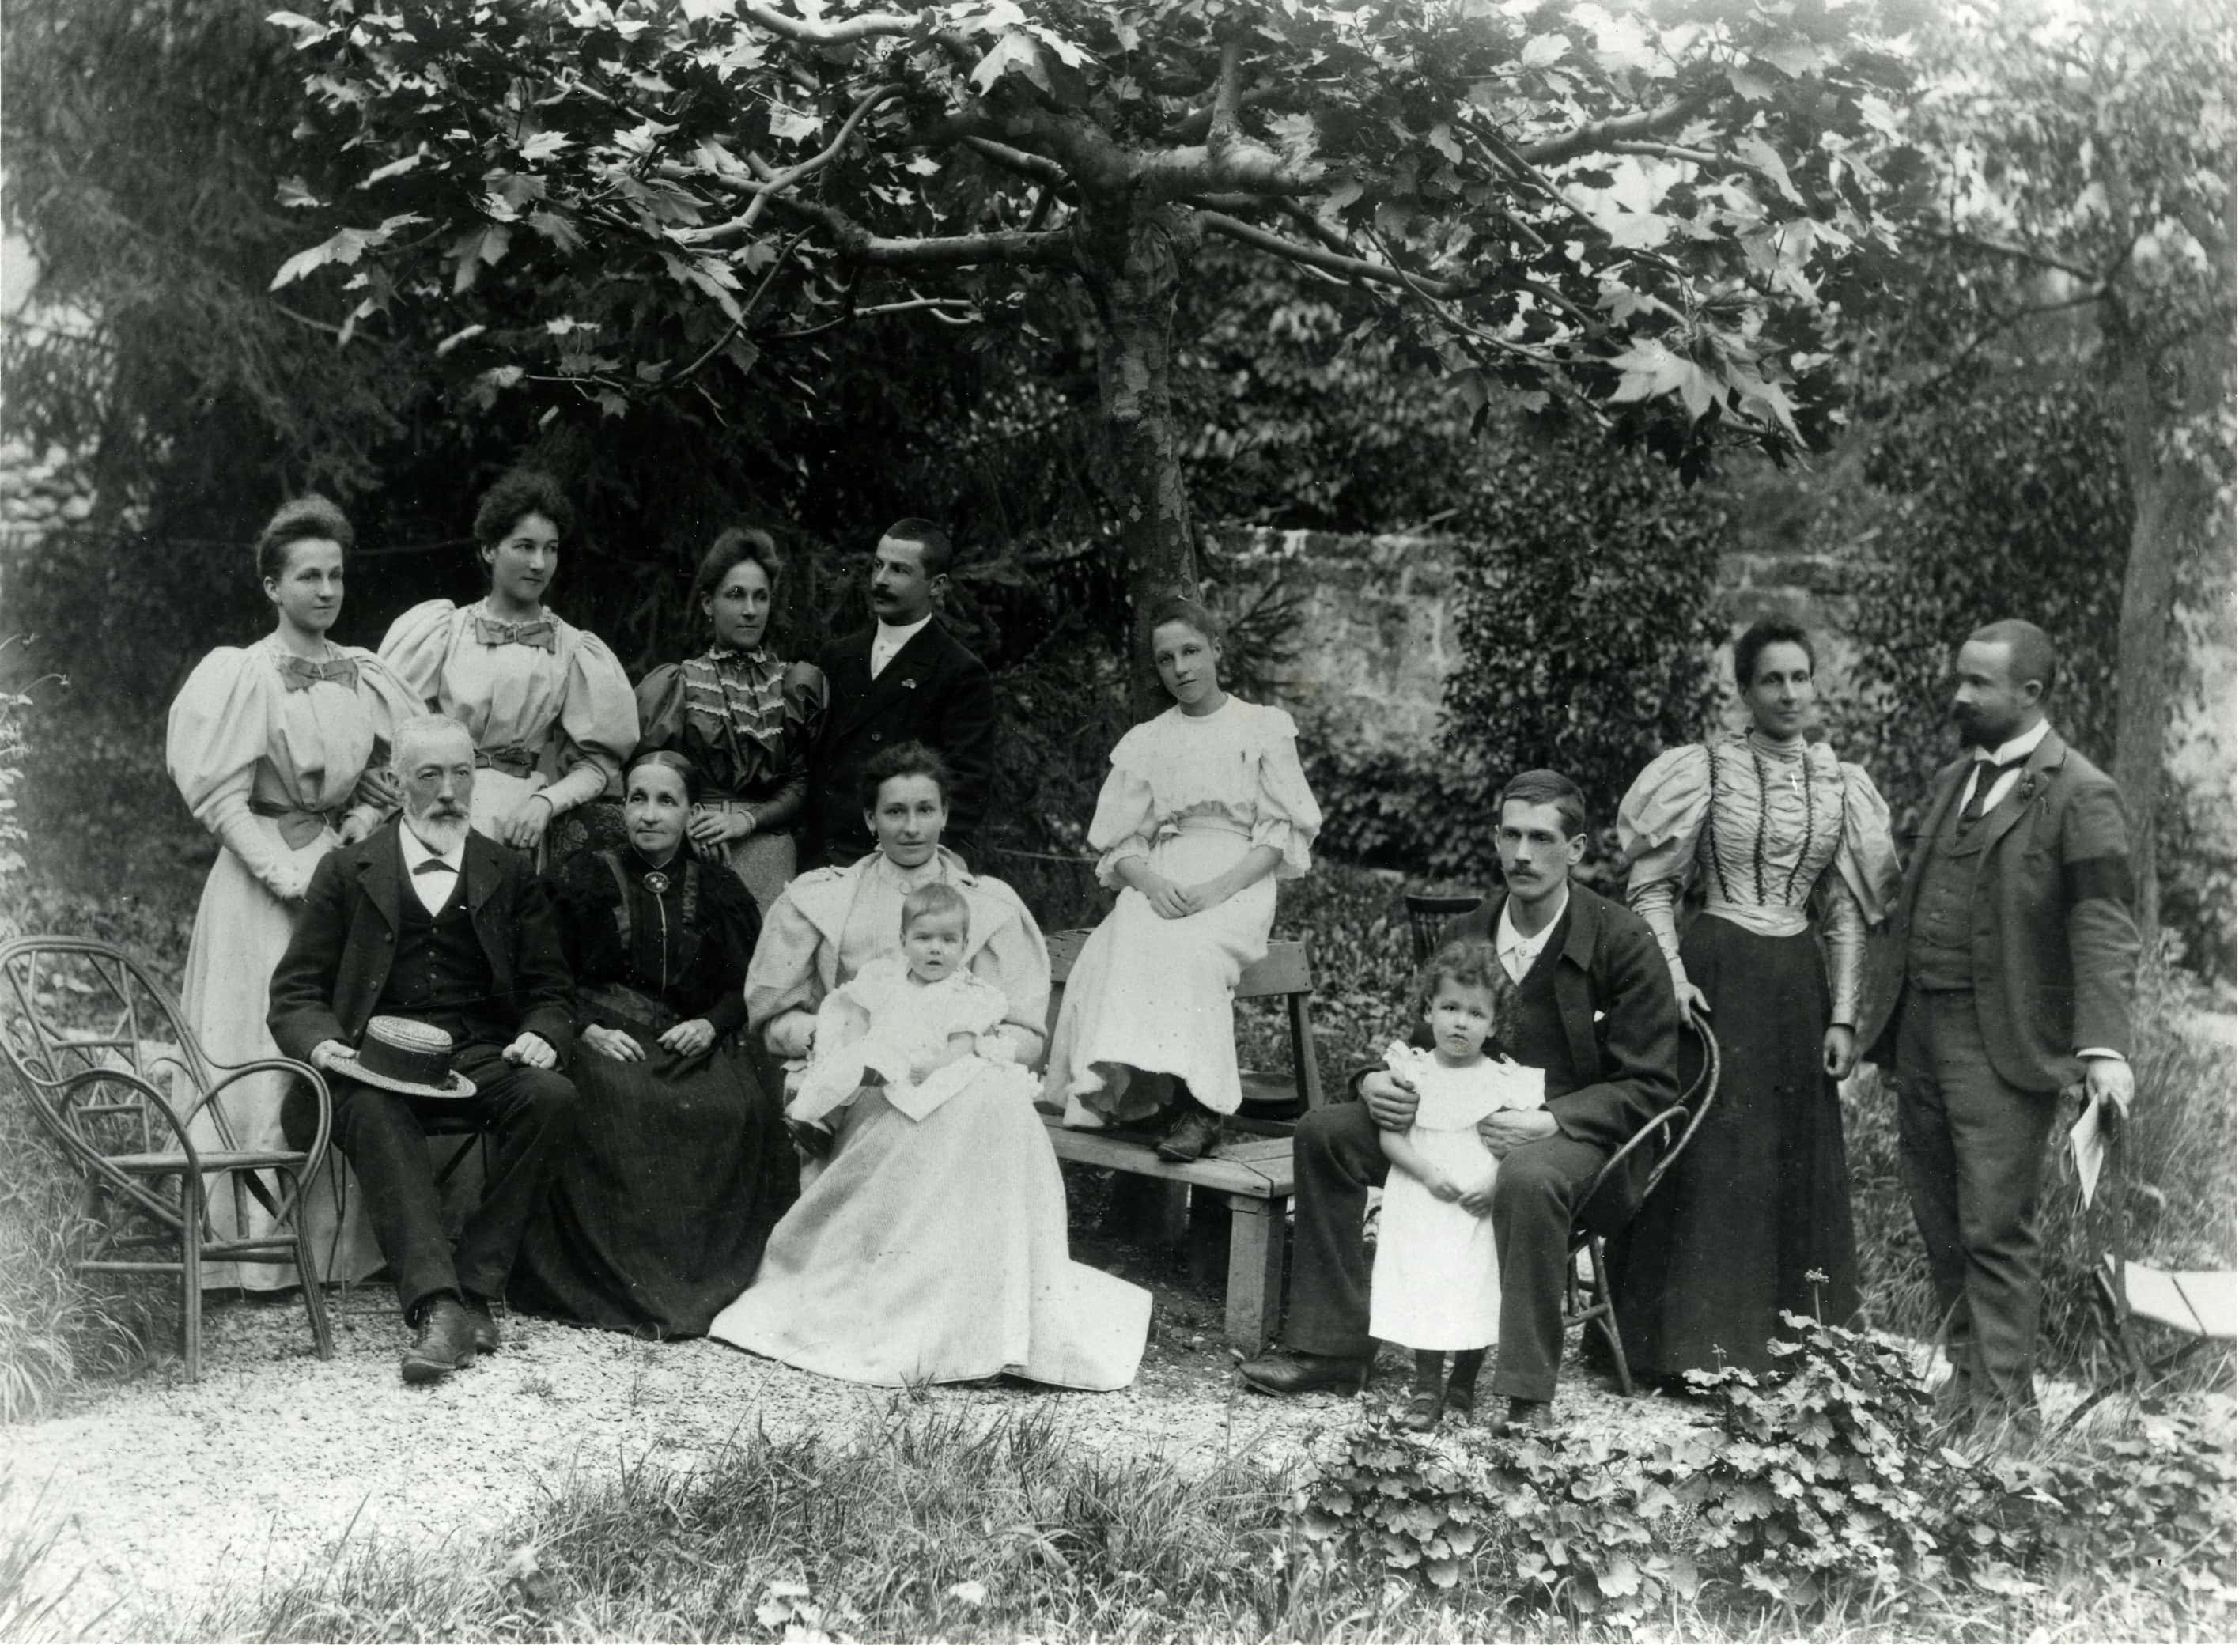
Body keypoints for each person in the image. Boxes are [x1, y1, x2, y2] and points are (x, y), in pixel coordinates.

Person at [1239, 770, 1679, 1435]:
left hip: (1576, 1139)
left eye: (1541, 837)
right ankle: (1330, 1346)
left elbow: (1649, 1085)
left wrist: (1552, 1119)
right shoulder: (1474, 929)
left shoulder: (1621, 940)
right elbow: (1425, 1038)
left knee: (1529, 1176)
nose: (1522, 854)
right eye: (1510, 835)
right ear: (1496, 839)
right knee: (1326, 1131)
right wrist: (1370, 1081)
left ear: (1578, 848)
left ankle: (1527, 1393)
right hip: (1452, 1117)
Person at [707, 741, 1149, 1389]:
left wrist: (964, 1049)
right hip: (855, 1080)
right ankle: (910, 1319)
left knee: (983, 1102)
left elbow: (1026, 1032)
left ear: (945, 815)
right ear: (869, 820)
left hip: (963, 1073)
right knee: (941, 1106)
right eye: (894, 812)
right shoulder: (822, 898)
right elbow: (773, 1020)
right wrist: (840, 1038)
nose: (910, 827)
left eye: (924, 810)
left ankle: (979, 1325)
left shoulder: (989, 905)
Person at [1860, 618, 2139, 1425]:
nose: (1958, 694)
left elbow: (2102, 926)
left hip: (2003, 1043)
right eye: (1959, 677)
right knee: (1939, 1217)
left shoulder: (2080, 791)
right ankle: (1964, 1380)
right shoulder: (1954, 778)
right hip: (1920, 1032)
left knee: (1993, 1225)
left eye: (1976, 683)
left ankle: (2006, 1410)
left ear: (2030, 694)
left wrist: (2102, 1047)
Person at [1608, 619, 1899, 1382]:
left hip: (1795, 987)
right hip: (1717, 972)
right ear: (1744, 690)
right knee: (1709, 1153)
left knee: (1788, 1158)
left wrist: (1841, 1014)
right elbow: (1653, 885)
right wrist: (1670, 974)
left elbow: (1842, 912)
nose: (1789, 693)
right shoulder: (1702, 770)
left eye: (1800, 677)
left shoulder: (1840, 783)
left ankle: (1784, 1352)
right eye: (1771, 679)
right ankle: (1681, 1350)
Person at [268, 713, 580, 1385]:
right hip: (370, 1058)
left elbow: (552, 988)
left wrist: (543, 1033)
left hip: (475, 1052)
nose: (448, 791)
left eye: (461, 773)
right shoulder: (348, 869)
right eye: (429, 775)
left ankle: (473, 1285)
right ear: (396, 781)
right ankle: (437, 1308)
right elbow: (295, 991)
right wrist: (324, 1046)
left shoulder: (507, 869)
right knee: (376, 1113)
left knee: (551, 1098)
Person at [165, 495, 422, 1290]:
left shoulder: (365, 672)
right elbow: (220, 799)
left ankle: (328, 1249)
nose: (325, 590)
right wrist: (282, 873)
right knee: (256, 1046)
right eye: (307, 576)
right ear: (272, 585)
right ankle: (245, 1260)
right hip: (257, 886)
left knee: (331, 1039)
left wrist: (359, 827)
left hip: (335, 878)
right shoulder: (242, 674)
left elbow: (387, 773)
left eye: (336, 575)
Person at [508, 750, 796, 1339]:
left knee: (732, 1106)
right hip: (602, 1031)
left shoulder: (718, 887)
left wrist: (711, 1024)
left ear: (691, 811)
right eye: (638, 797)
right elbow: (545, 971)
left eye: (667, 800)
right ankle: (618, 1284)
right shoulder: (583, 874)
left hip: (686, 1034)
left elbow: (747, 982)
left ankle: (701, 1283)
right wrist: (583, 1025)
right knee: (618, 1099)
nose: (649, 814)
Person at [1041, 594, 1323, 1163]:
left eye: (1191, 651)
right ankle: (1145, 1094)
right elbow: (1120, 843)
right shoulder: (1149, 739)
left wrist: (1216, 890)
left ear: (1216, 649)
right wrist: (1148, 884)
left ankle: (1201, 1105)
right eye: (1166, 659)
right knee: (1123, 936)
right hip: (1165, 869)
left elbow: (1278, 831)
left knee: (1193, 945)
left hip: (1238, 873)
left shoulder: (1261, 727)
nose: (1181, 669)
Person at [379, 467, 638, 864]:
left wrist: (546, 802)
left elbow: (599, 765)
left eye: (551, 549)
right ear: (489, 549)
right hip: (439, 808)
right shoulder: (444, 630)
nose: (539, 563)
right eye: (524, 546)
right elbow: (395, 734)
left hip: (519, 821)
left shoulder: (573, 649)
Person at [1369, 938, 1547, 1433]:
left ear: (1494, 1025)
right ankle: (1426, 1388)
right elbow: (1391, 1137)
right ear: (1429, 1010)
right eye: (1449, 1008)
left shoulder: (1504, 1079)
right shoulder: (1414, 1071)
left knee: (1474, 1288)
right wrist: (1425, 1172)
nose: (1460, 1023)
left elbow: (1517, 1144)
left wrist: (1494, 1182)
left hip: (1477, 1205)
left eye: (1475, 1014)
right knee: (1426, 1286)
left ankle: (1464, 1385)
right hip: (1423, 1199)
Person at [634, 527, 830, 912]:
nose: (750, 610)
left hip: (766, 843)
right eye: (735, 595)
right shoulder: (677, 684)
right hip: (691, 838)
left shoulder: (794, 685)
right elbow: (646, 773)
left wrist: (747, 821)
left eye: (761, 597)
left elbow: (802, 782)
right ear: (708, 603)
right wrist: (690, 817)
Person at [786, 880, 1037, 1146]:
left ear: (965, 946)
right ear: (904, 941)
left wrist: (934, 1066)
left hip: (929, 1064)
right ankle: (820, 1122)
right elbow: (860, 1014)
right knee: (846, 1066)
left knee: (962, 1091)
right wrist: (855, 1047)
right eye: (923, 938)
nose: (935, 948)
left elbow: (963, 1043)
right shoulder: (885, 977)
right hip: (882, 1055)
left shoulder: (965, 994)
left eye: (948, 940)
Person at [805, 519, 995, 868]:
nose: (880, 580)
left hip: (902, 861)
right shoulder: (837, 656)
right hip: (825, 858)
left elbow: (966, 788)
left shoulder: (959, 671)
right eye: (878, 565)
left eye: (899, 570)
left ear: (936, 586)